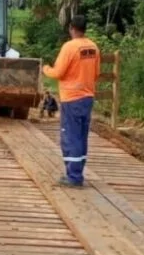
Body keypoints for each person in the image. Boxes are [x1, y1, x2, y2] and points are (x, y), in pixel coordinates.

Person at [43, 15, 101, 187]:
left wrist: (45, 69)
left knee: (70, 136)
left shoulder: (69, 47)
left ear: (71, 28)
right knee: (82, 136)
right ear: (85, 29)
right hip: (87, 97)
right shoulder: (93, 47)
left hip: (71, 98)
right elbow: (96, 73)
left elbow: (58, 72)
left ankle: (74, 176)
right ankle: (78, 171)